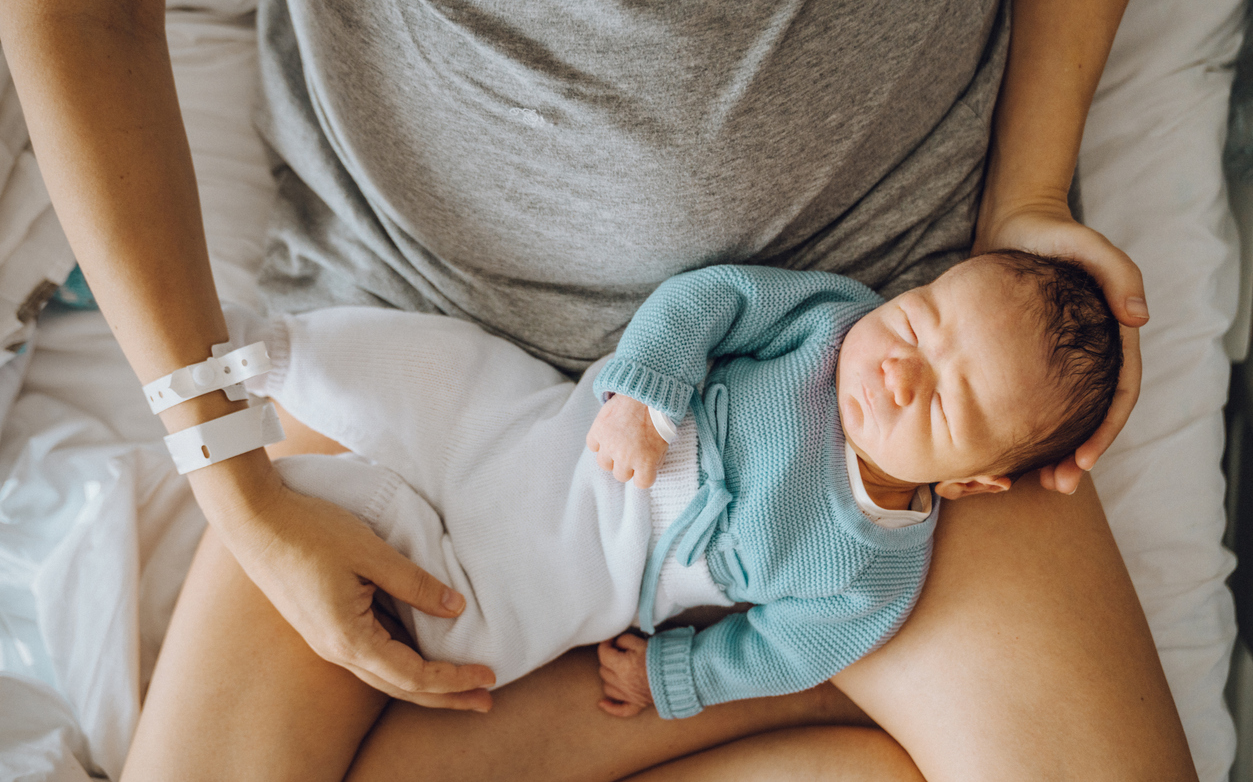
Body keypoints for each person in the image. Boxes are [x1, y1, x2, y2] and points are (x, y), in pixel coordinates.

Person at [0, 0, 1198, 779]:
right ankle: (834, 705)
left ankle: (812, 688)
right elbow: (77, 4)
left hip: (883, 291)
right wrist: (232, 481)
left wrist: (1028, 192)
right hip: (421, 352)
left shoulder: (914, 436)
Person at [231, 251, 1121, 722]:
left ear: (971, 483)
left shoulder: (871, 572)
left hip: (604, 557)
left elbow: (783, 651)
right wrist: (647, 387)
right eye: (917, 321)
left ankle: (352, 505)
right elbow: (711, 298)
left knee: (481, 631)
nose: (897, 372)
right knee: (443, 378)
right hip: (566, 421)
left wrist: (679, 674)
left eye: (944, 401)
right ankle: (272, 352)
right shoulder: (827, 321)